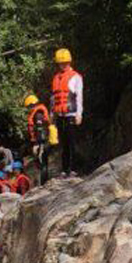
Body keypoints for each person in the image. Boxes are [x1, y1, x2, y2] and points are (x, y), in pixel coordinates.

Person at [50, 47, 83, 177]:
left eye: (65, 62)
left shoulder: (76, 77)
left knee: (71, 143)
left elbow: (79, 97)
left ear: (70, 62)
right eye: (60, 63)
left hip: (71, 114)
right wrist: (52, 116)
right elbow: (53, 99)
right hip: (60, 115)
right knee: (63, 144)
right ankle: (64, 170)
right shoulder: (56, 78)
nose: (63, 65)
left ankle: (73, 169)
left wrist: (79, 114)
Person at [24, 93, 51, 184]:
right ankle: (44, 181)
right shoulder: (39, 113)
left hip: (42, 141)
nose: (28, 109)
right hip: (44, 140)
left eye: (29, 107)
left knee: (42, 161)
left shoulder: (38, 115)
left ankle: (44, 182)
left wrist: (37, 144)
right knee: (43, 161)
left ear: (32, 104)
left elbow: (40, 130)